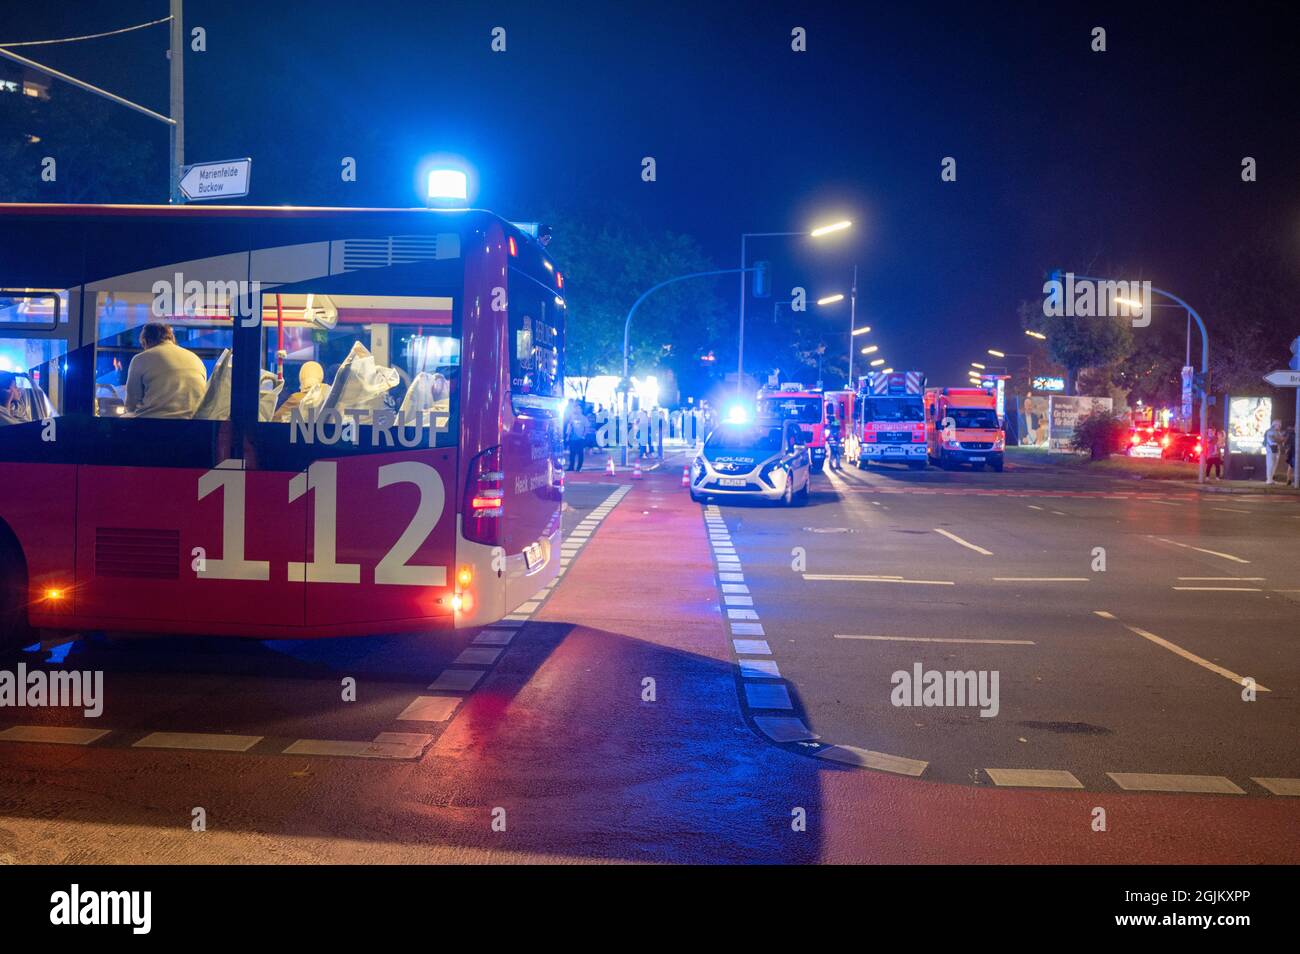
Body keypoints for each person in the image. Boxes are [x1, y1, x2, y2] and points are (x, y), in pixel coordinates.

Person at [124, 322, 208, 419]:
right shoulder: (195, 358)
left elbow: (131, 405)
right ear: (172, 338)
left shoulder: (140, 359)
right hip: (194, 424)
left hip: (154, 424)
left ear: (145, 341)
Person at [565, 403, 589, 472]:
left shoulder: (584, 418)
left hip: (580, 439)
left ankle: (579, 467)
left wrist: (583, 436)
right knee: (572, 453)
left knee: (580, 453)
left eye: (578, 408)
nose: (577, 410)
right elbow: (569, 427)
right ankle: (571, 467)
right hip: (573, 438)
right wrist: (568, 436)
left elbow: (586, 427)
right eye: (576, 408)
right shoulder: (572, 417)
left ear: (581, 410)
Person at [1263, 419, 1285, 484]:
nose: (1280, 426)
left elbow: (1281, 440)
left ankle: (1271, 479)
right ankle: (1269, 480)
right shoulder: (1270, 431)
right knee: (1270, 464)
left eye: (1280, 425)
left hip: (1276, 451)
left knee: (1274, 465)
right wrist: (1280, 440)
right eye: (1279, 425)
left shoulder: (1278, 432)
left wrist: (1281, 439)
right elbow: (1273, 440)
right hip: (1271, 450)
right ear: (1275, 424)